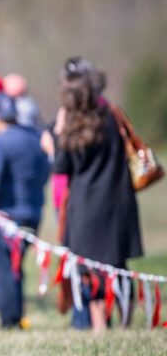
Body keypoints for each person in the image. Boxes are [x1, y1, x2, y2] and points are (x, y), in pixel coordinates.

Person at [53, 58, 143, 333]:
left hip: (86, 208)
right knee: (118, 265)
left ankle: (99, 325)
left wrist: (58, 135)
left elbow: (61, 167)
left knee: (88, 269)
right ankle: (125, 322)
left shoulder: (71, 126)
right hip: (117, 202)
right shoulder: (112, 117)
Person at [0, 93, 49, 329]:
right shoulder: (35, 136)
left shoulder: (0, 142)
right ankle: (18, 314)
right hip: (33, 212)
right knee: (17, 266)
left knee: (3, 268)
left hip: (7, 216)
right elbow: (45, 173)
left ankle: (9, 319)